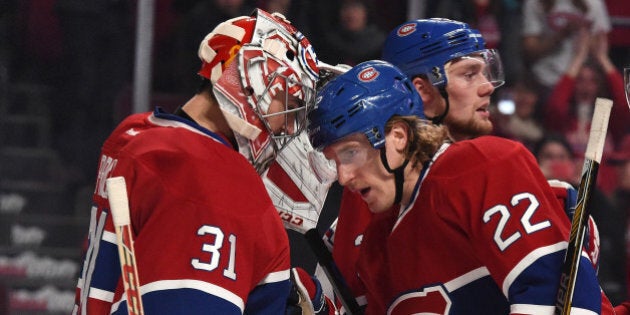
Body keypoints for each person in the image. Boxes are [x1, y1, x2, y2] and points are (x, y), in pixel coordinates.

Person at [307, 59, 614, 314]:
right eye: (334, 159)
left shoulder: (482, 167)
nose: (343, 176)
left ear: (398, 137)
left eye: (350, 153)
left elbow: (559, 300)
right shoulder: (375, 245)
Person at [72, 9, 328, 314]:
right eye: (290, 104)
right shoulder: (217, 179)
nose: (288, 127)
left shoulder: (135, 134)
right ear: (252, 78)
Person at [315, 18, 506, 312]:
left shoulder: (488, 171)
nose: (487, 87)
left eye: (486, 71)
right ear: (421, 91)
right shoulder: (373, 200)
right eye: (469, 74)